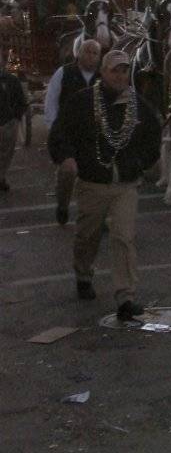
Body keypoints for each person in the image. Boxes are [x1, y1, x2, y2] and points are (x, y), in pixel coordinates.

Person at [48, 50, 161, 320]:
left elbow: (152, 138)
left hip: (125, 184)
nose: (121, 76)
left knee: (123, 237)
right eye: (115, 71)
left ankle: (126, 297)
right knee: (88, 235)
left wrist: (139, 164)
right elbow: (60, 133)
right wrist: (67, 159)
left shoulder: (138, 105)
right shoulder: (82, 102)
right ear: (103, 73)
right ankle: (83, 273)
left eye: (125, 71)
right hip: (93, 184)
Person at [44, 39, 102, 224]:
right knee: (69, 170)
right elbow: (51, 101)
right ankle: (63, 204)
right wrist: (54, 128)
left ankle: (96, 216)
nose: (91, 56)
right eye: (87, 52)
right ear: (79, 53)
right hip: (66, 133)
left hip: (93, 135)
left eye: (95, 53)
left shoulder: (103, 77)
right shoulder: (64, 73)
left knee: (98, 177)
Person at [0, 46, 28, 191]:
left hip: (8, 123)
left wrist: (16, 118)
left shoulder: (11, 80)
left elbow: (21, 101)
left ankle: (1, 177)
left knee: (6, 154)